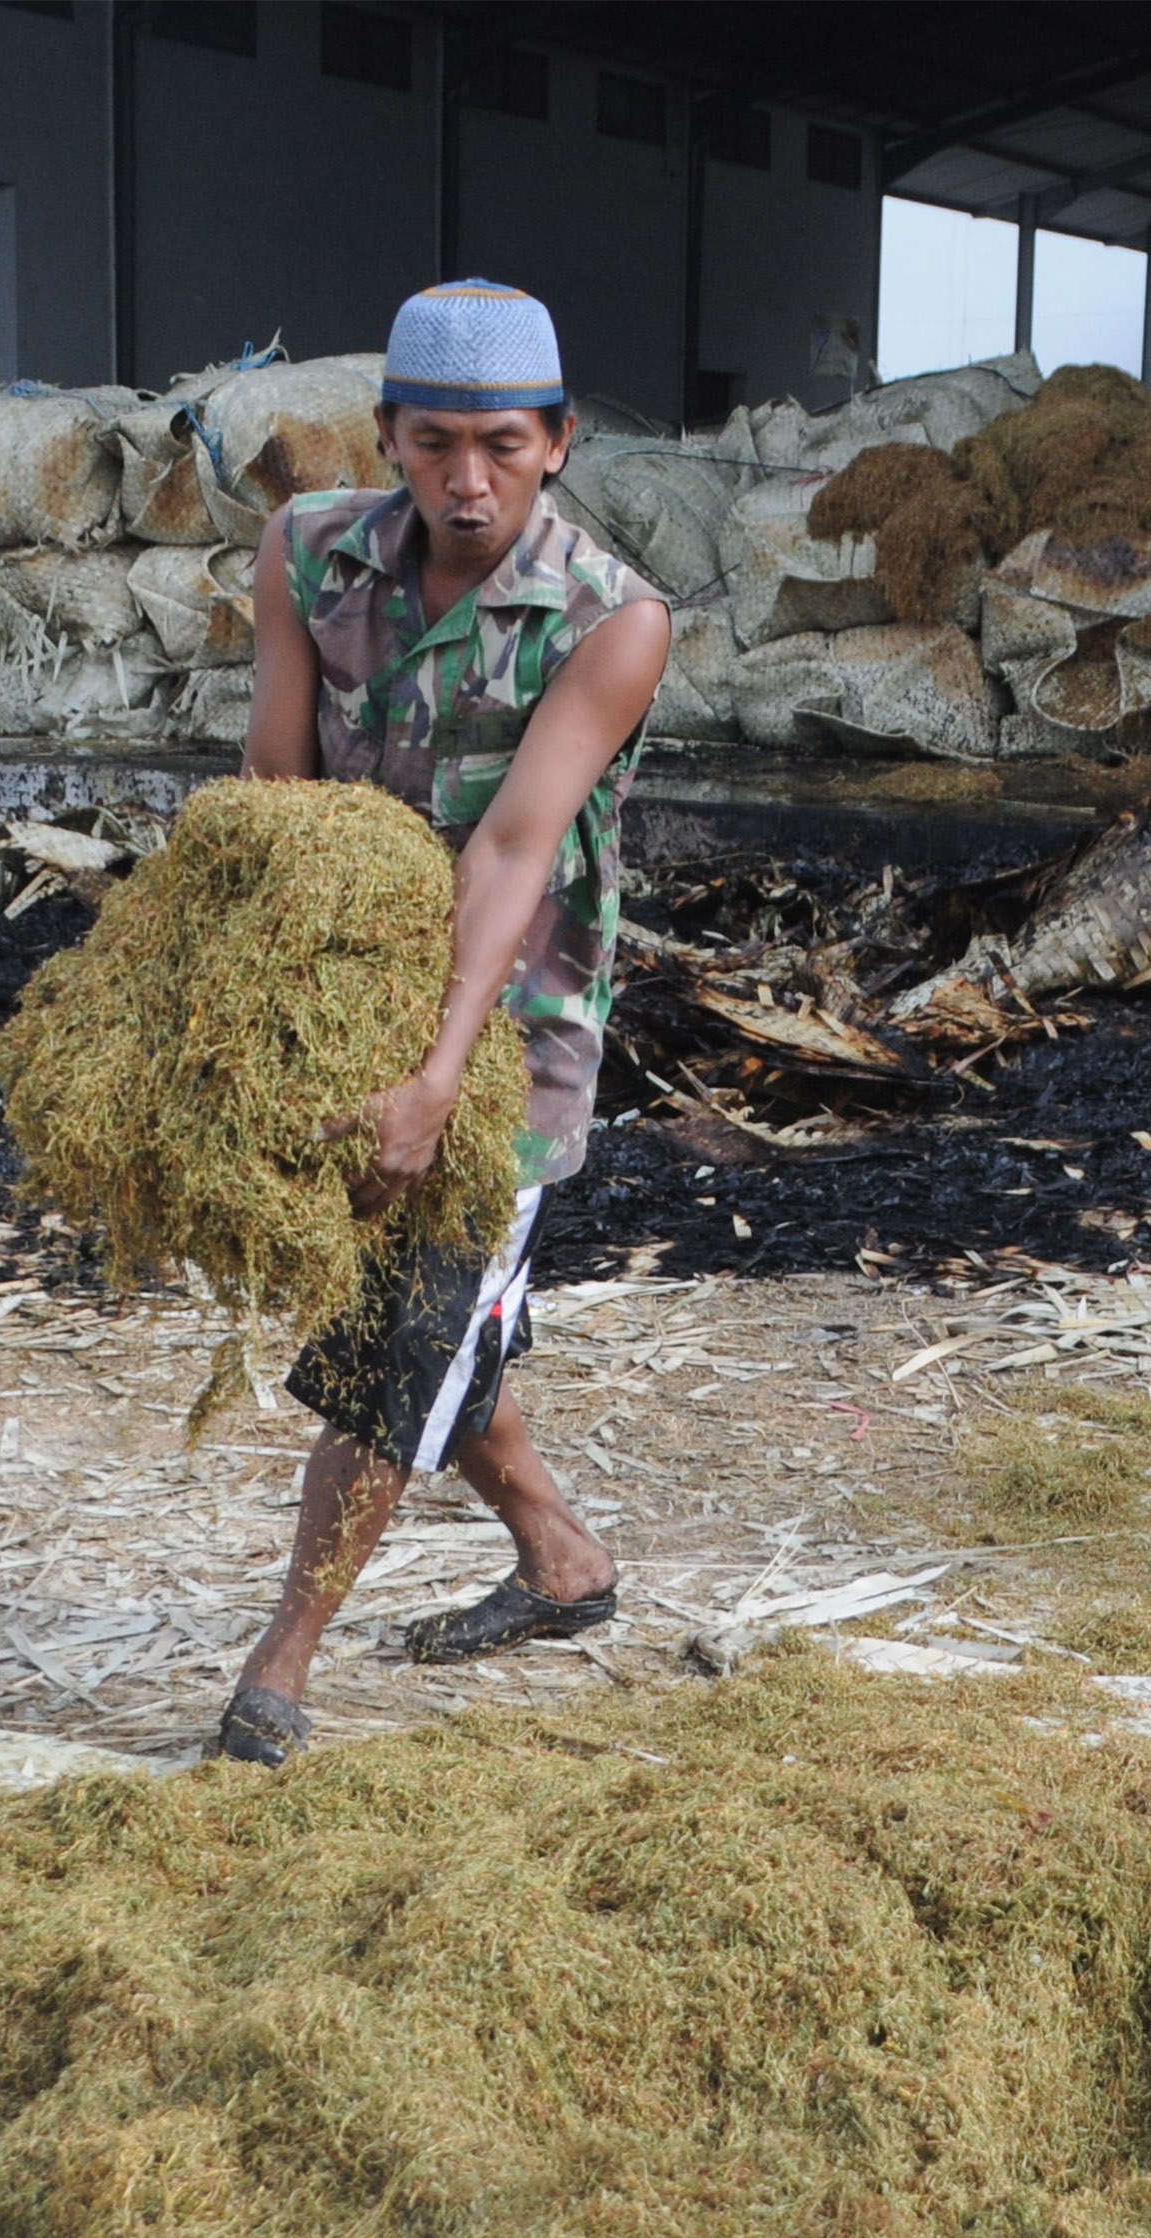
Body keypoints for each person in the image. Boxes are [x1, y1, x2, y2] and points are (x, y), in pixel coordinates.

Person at [212, 277, 671, 1767]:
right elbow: (277, 788)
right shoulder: (305, 554)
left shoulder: (612, 620)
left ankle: (279, 1663)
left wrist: (435, 1071)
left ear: (559, 440)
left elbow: (512, 852)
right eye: (432, 446)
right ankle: (562, 1558)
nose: (466, 483)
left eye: (502, 446)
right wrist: (256, 1001)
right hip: (349, 993)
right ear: (388, 436)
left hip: (515, 1029)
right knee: (441, 1318)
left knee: (396, 1331)